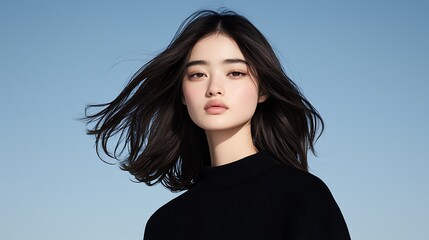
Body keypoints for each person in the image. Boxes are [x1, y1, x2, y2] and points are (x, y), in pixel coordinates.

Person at [84, 9, 351, 240]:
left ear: (262, 90)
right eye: (198, 74)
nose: (214, 88)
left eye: (235, 72)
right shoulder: (164, 224)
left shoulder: (304, 198)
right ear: (182, 94)